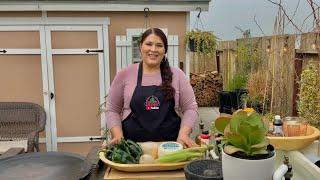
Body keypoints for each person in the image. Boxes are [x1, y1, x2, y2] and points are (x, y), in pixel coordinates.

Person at [106, 28, 198, 148]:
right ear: (140, 46)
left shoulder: (177, 75)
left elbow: (190, 108)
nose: (153, 49)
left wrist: (183, 134)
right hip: (133, 150)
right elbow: (112, 109)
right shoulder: (125, 74)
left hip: (170, 149)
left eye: (159, 45)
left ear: (165, 50)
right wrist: (118, 135)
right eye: (149, 44)